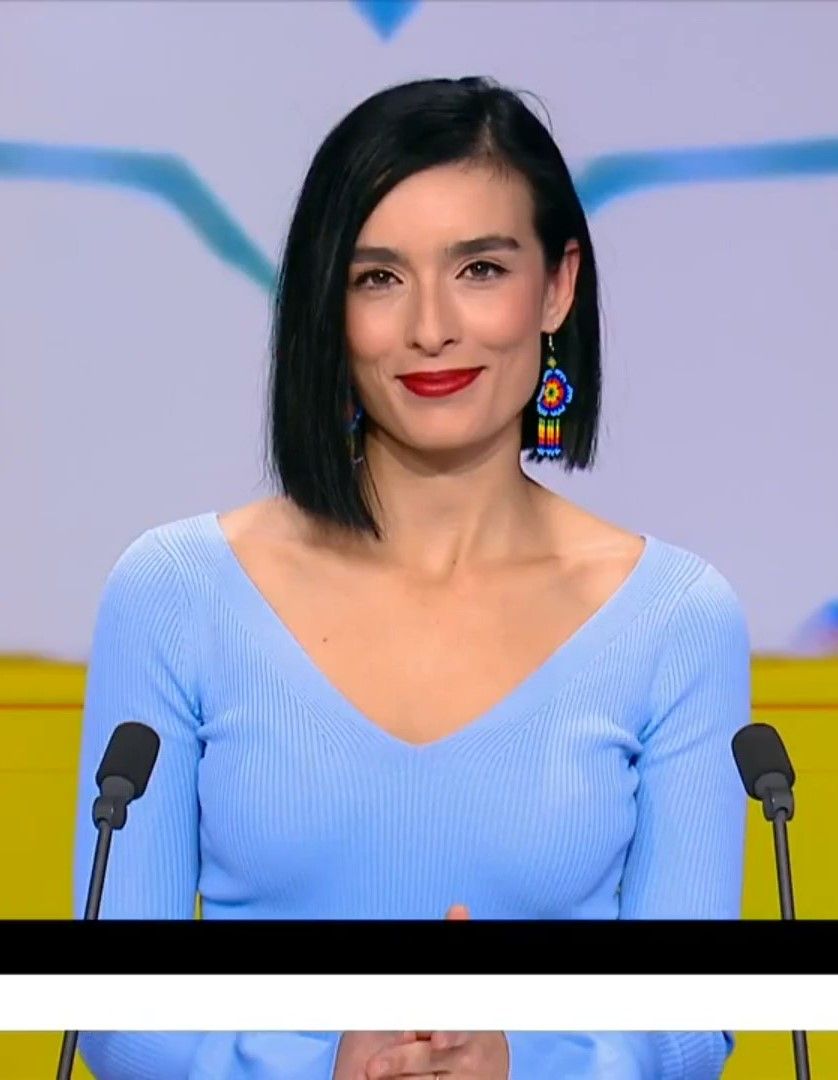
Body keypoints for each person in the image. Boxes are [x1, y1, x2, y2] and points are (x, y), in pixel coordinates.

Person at [72, 75, 751, 1079]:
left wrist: (517, 1062)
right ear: (327, 305)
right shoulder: (173, 594)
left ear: (557, 285)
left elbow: (690, 1019)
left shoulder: (676, 620)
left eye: (479, 269)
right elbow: (115, 1009)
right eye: (379, 277)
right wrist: (323, 1066)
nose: (431, 327)